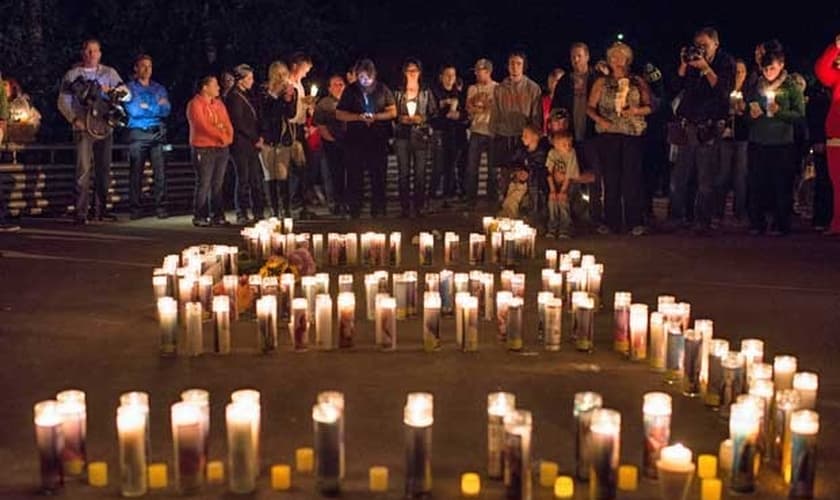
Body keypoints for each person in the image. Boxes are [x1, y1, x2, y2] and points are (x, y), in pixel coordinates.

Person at [669, 27, 736, 233]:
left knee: (706, 178)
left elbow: (723, 91)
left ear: (716, 44)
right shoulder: (692, 62)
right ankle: (679, 216)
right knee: (680, 176)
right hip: (687, 123)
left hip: (709, 125)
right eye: (697, 45)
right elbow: (675, 87)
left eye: (704, 45)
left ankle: (703, 221)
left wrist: (706, 69)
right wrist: (683, 64)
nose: (701, 49)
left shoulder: (725, 62)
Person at [58, 39, 128, 225]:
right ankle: (81, 212)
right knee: (83, 171)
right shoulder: (72, 75)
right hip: (83, 127)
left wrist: (112, 90)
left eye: (95, 51)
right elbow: (63, 101)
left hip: (104, 128)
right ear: (83, 53)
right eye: (88, 51)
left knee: (103, 170)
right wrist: (74, 119)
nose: (91, 54)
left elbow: (127, 95)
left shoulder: (109, 73)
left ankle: (100, 210)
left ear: (100, 54)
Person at [587, 41, 652, 235]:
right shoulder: (601, 82)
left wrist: (635, 111)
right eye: (613, 56)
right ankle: (611, 221)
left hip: (632, 133)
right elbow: (589, 107)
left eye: (620, 56)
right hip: (609, 134)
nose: (616, 60)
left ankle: (634, 221)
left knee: (632, 178)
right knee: (611, 178)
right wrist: (600, 120)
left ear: (628, 59)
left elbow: (649, 107)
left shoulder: (637, 81)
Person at [744, 42, 804, 236]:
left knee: (781, 185)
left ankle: (781, 223)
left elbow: (800, 115)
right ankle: (757, 222)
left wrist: (780, 112)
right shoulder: (756, 85)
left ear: (781, 65)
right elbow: (746, 109)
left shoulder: (791, 86)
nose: (769, 73)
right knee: (757, 184)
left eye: (772, 68)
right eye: (765, 69)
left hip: (782, 143)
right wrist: (749, 114)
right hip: (758, 141)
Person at [335, 59, 397, 218]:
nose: (365, 82)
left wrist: (376, 117)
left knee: (378, 175)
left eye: (368, 78)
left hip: (377, 140)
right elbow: (339, 113)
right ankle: (355, 209)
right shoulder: (350, 90)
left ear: (374, 75)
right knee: (355, 176)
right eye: (361, 78)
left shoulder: (382, 89)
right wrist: (358, 117)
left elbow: (392, 111)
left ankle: (379, 208)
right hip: (355, 140)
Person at [551, 42, 602, 225]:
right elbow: (556, 108)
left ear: (587, 56)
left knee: (595, 175)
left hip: (593, 135)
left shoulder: (598, 79)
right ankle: (572, 215)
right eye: (573, 56)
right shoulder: (565, 81)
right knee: (570, 174)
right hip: (570, 136)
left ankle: (596, 217)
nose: (576, 60)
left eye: (579, 56)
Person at [490, 51, 543, 203]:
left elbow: (536, 114)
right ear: (507, 66)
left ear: (523, 66)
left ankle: (526, 203)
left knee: (523, 171)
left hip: (523, 136)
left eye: (518, 63)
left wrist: (534, 135)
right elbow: (495, 112)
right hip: (504, 134)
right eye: (512, 63)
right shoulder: (499, 88)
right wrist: (493, 131)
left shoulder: (533, 88)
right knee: (504, 171)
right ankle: (505, 202)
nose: (515, 67)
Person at [124, 54, 171, 220]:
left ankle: (161, 207)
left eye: (149, 66)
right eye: (143, 66)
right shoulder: (129, 88)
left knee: (160, 173)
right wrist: (155, 106)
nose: (147, 69)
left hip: (157, 132)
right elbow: (134, 110)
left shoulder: (159, 88)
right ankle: (135, 209)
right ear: (136, 68)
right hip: (138, 133)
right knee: (136, 173)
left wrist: (147, 107)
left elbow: (166, 110)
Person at [186, 75, 233, 227]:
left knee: (217, 183)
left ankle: (217, 215)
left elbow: (226, 122)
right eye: (215, 85)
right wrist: (221, 135)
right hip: (204, 148)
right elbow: (202, 126)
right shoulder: (195, 104)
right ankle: (200, 215)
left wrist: (228, 137)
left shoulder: (218, 104)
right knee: (204, 182)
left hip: (221, 148)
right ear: (205, 87)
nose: (218, 87)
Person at [393, 59, 437, 218]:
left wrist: (422, 118)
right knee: (403, 173)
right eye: (409, 70)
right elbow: (392, 111)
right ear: (404, 73)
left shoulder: (425, 92)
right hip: (402, 136)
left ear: (419, 73)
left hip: (420, 135)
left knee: (420, 173)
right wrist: (400, 118)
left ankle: (419, 206)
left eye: (415, 70)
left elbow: (433, 112)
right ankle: (405, 207)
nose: (412, 74)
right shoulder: (398, 92)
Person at [225, 64, 265, 224]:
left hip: (251, 143)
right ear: (240, 80)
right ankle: (241, 212)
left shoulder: (248, 95)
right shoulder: (234, 97)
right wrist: (255, 138)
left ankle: (258, 211)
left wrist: (260, 136)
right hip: (241, 144)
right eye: (249, 78)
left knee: (255, 178)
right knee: (243, 179)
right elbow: (239, 122)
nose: (252, 81)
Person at [713, 58, 749, 227]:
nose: (738, 75)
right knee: (723, 173)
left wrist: (744, 110)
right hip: (725, 136)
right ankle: (717, 211)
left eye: (741, 72)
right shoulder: (724, 89)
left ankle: (740, 211)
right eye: (736, 72)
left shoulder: (749, 91)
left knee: (741, 175)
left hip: (742, 136)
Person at [259, 61, 297, 217]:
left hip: (282, 138)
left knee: (282, 174)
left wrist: (289, 99)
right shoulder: (264, 91)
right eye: (279, 75)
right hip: (267, 138)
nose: (282, 78)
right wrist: (274, 95)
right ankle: (274, 209)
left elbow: (291, 114)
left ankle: (286, 209)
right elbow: (264, 113)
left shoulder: (290, 90)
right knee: (270, 175)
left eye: (284, 74)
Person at [431, 64, 467, 207]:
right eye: (447, 75)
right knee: (439, 166)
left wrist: (459, 115)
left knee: (455, 164)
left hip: (457, 134)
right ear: (441, 77)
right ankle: (434, 194)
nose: (450, 78)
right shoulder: (435, 93)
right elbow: (432, 114)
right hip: (441, 133)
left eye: (453, 75)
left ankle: (451, 193)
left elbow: (466, 113)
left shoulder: (459, 93)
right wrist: (443, 109)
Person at [814, 34, 840, 235]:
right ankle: (837, 223)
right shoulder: (838, 77)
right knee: (837, 184)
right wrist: (836, 47)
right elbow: (821, 70)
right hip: (836, 137)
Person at [546, 130, 593, 238]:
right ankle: (552, 226)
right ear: (556, 145)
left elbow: (569, 175)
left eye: (569, 144)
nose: (567, 147)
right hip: (555, 184)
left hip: (569, 185)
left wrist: (563, 190)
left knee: (563, 200)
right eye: (564, 145)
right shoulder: (552, 153)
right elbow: (548, 172)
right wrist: (552, 190)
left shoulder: (572, 153)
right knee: (552, 200)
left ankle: (565, 227)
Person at [464, 58, 498, 208]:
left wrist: (482, 106)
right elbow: (469, 108)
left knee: (493, 168)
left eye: (480, 71)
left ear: (488, 71)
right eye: (476, 71)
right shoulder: (472, 88)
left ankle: (492, 199)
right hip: (476, 130)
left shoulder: (497, 88)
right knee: (472, 167)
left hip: (492, 131)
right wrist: (480, 107)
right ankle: (471, 200)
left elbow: (496, 108)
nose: (477, 74)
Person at [314, 74, 347, 215]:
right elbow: (320, 125)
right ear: (329, 88)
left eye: (341, 84)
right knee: (332, 174)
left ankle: (347, 202)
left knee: (346, 174)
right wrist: (331, 140)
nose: (338, 87)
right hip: (331, 144)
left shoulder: (350, 101)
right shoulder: (324, 104)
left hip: (348, 143)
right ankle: (334, 203)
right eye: (335, 85)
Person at [499, 124, 548, 219]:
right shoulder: (521, 151)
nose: (522, 138)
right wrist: (518, 171)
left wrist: (527, 173)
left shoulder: (541, 153)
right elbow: (512, 162)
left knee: (517, 193)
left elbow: (539, 169)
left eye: (526, 136)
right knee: (513, 188)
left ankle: (509, 214)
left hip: (532, 184)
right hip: (519, 180)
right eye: (522, 135)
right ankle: (507, 212)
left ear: (535, 137)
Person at [287, 53, 314, 213]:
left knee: (304, 166)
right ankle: (294, 201)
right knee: (297, 166)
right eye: (304, 69)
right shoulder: (288, 84)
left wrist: (308, 108)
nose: (306, 73)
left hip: (300, 127)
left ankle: (302, 201)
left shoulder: (300, 85)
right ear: (295, 66)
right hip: (291, 128)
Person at [541, 68, 565, 133]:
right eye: (557, 81)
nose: (560, 84)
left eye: (562, 82)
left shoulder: (567, 102)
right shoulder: (541, 102)